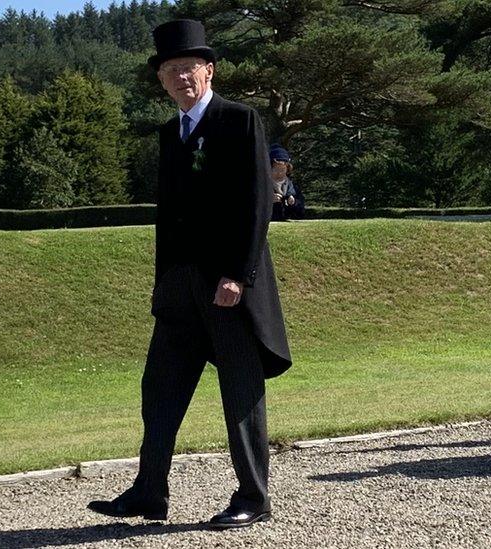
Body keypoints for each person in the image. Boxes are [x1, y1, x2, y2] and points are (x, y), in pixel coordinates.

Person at [87, 19, 291, 528]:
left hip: (227, 285)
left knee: (239, 392)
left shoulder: (238, 120)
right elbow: (169, 217)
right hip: (179, 288)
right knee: (159, 389)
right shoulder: (170, 133)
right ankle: (149, 492)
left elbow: (255, 205)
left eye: (189, 68)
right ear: (161, 79)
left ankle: (253, 496)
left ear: (209, 71)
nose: (181, 77)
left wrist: (237, 276)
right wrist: (162, 283)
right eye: (171, 69)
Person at [269, 144, 305, 221]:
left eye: (282, 169)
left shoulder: (292, 187)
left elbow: (301, 212)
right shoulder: (260, 186)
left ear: (287, 169)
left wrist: (294, 202)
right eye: (276, 169)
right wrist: (268, 201)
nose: (279, 173)